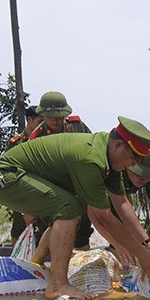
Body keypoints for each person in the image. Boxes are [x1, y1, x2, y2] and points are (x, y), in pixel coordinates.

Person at [0, 116, 150, 300]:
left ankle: (36, 264)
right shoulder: (91, 159)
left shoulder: (108, 159)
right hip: (5, 177)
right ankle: (57, 284)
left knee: (72, 207)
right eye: (133, 157)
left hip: (18, 176)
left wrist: (147, 243)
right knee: (68, 206)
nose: (134, 163)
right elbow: (103, 216)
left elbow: (121, 203)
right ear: (118, 145)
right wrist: (141, 254)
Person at [28, 91, 94, 249]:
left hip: (79, 185)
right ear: (42, 115)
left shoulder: (78, 127)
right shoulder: (37, 138)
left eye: (59, 117)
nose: (55, 121)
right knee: (55, 231)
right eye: (50, 117)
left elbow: (93, 150)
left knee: (82, 232)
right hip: (54, 190)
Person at [115, 148, 150, 249]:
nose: (145, 180)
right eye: (140, 175)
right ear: (129, 165)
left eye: (149, 176)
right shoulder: (116, 171)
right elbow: (103, 214)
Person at [5, 104, 42, 241]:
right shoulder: (16, 143)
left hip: (43, 191)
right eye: (39, 122)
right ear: (29, 120)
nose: (41, 126)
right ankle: (17, 260)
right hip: (21, 192)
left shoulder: (44, 141)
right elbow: (7, 168)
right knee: (19, 229)